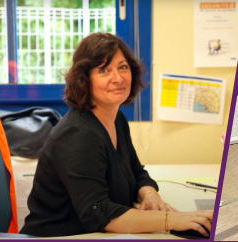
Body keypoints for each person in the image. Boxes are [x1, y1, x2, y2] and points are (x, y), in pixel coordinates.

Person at [21, 33, 213, 237]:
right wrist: (171, 219)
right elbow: (99, 214)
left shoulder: (116, 119)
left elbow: (136, 172)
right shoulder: (77, 136)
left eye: (122, 67)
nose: (118, 78)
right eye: (104, 70)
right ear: (84, 78)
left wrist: (149, 194)